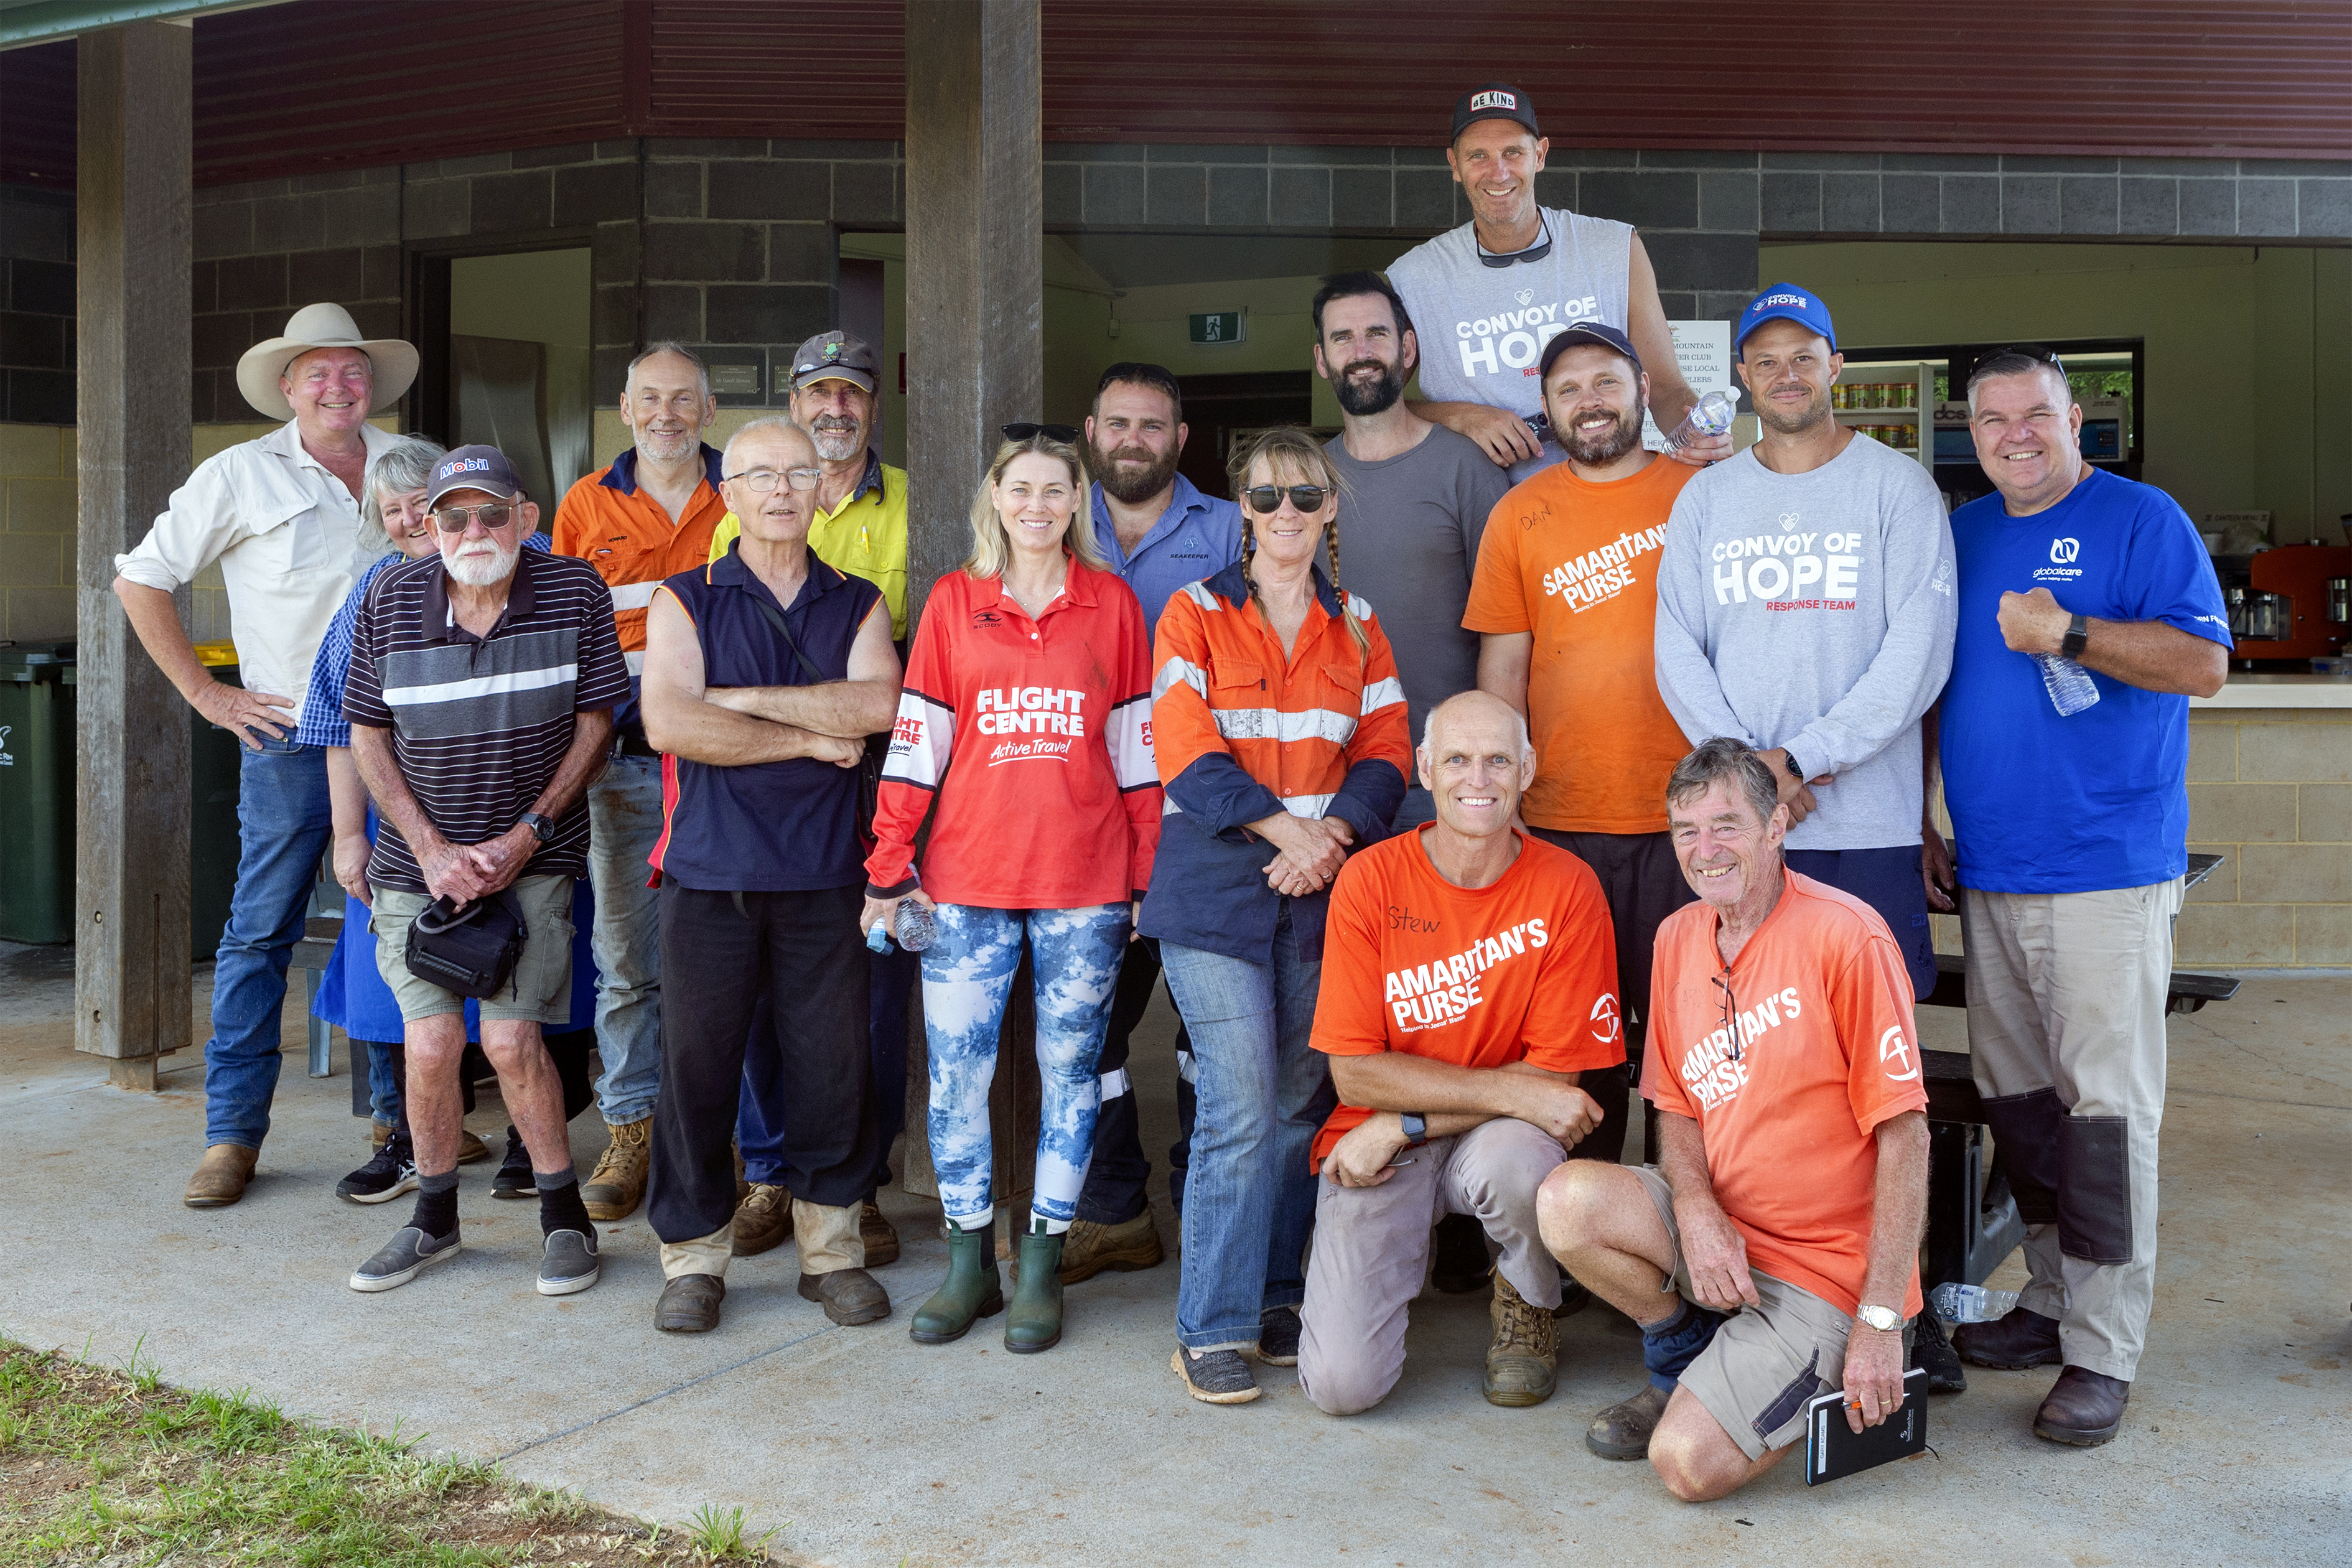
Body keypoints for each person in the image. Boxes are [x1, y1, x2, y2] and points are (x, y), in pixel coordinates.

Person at [1932, 348, 2229, 1447]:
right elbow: (1938, 683)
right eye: (1993, 418)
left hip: (2106, 867)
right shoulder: (1962, 534)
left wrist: (2069, 632)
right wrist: (1927, 809)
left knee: (2103, 1119)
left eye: (2036, 415)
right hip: (1992, 866)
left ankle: (2104, 1350)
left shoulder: (2145, 520)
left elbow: (2204, 666)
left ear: (2076, 420)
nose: (2015, 434)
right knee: (2025, 1109)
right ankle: (2054, 1302)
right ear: (1971, 429)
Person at [1538, 739, 1929, 1499]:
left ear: (1777, 825)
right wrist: (1696, 1206)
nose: (1704, 850)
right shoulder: (1677, 937)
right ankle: (1691, 1356)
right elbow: (1676, 1105)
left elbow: (1905, 1135)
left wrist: (1879, 1319)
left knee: (1685, 1465)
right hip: (1722, 1237)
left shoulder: (1847, 935)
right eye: (1686, 830)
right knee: (1565, 1201)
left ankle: (1784, 1364)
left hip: (1826, 1275)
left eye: (1726, 825)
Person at [862, 425, 1161, 1353]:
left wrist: (1149, 877)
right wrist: (887, 866)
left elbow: (1138, 756)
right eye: (1020, 489)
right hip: (964, 884)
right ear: (996, 498)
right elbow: (917, 747)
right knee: (959, 1080)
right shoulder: (954, 603)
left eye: (1054, 491)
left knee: (1072, 1075)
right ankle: (968, 1267)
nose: (1036, 507)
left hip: (1086, 885)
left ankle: (1041, 1266)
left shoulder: (1113, 605)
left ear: (1078, 504)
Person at [112, 303, 416, 1209]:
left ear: (373, 383)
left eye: (351, 370)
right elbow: (140, 578)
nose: (337, 385)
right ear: (287, 387)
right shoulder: (241, 473)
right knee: (260, 930)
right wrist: (208, 694)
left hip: (410, 735)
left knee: (403, 923)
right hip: (290, 735)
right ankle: (232, 1136)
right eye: (316, 372)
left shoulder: (410, 464)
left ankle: (404, 1121)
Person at [1145, 427, 1412, 1405]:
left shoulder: (1361, 625)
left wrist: (1330, 837)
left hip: (1320, 892)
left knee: (1304, 1102)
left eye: (1305, 497)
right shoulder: (1193, 613)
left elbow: (1388, 748)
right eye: (1266, 499)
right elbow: (1185, 747)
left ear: (1331, 508)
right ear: (1241, 509)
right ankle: (1208, 1327)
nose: (1286, 515)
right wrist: (1288, 834)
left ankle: (1278, 1295)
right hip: (1217, 893)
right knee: (1243, 1103)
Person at [341, 447, 630, 1296]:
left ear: (526, 520)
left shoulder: (575, 590)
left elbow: (596, 724)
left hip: (532, 860)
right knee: (430, 1043)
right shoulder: (388, 598)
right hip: (414, 866)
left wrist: (525, 837)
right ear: (428, 528)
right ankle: (433, 1221)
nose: (475, 531)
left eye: (492, 513)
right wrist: (431, 850)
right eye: (454, 516)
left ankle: (564, 1217)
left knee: (510, 1038)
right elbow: (366, 733)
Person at [638, 418, 902, 1335]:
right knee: (697, 1068)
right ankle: (694, 1259)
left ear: (822, 486)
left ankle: (831, 1253)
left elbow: (879, 706)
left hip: (828, 872)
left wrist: (740, 699)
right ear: (730, 490)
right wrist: (802, 738)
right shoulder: (687, 598)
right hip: (708, 875)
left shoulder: (856, 602)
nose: (783, 488)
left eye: (800, 470)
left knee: (834, 1066)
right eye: (760, 474)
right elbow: (671, 724)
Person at [1297, 691, 1622, 1416]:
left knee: (1519, 1156)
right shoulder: (1371, 880)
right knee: (1343, 1389)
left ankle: (1527, 1299)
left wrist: (1404, 1120)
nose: (1480, 778)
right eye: (1458, 760)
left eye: (1499, 759)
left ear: (1528, 768)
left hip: (1469, 1137)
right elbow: (1354, 1071)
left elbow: (1556, 1082)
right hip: (1386, 1139)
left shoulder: (1567, 886)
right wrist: (1507, 1096)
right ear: (1425, 769)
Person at [1653, 284, 1956, 1004]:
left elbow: (1917, 658)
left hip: (1867, 825)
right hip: (1737, 830)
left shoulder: (1899, 488)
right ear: (1745, 376)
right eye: (1766, 361)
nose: (1786, 374)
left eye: (1803, 357)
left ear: (1835, 365)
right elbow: (1675, 650)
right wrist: (1756, 778)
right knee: (1748, 1029)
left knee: (1872, 1034)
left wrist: (1801, 760)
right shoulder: (1706, 497)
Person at [1468, 320, 1701, 1167]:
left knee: (1695, 1046)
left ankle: (1686, 1231)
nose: (1588, 402)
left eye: (1605, 382)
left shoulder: (1700, 495)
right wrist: (1501, 804)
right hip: (1562, 823)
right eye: (1567, 390)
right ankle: (1589, 1237)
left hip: (1689, 824)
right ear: (1545, 409)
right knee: (1579, 1048)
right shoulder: (1519, 513)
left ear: (1642, 388)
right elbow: (1504, 665)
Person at [712, 331, 912, 1269]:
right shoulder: (738, 513)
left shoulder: (912, 502)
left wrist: (768, 700)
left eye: (853, 395)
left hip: (876, 777)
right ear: (793, 403)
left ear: (875, 405)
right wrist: (790, 714)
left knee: (864, 992)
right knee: (755, 992)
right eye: (818, 394)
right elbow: (712, 669)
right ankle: (769, 1170)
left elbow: (895, 687)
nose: (836, 410)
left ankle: (854, 1181)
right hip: (754, 780)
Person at [1062, 363, 1246, 1286]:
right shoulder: (1054, 520)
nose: (1135, 438)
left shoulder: (1229, 529)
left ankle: (1202, 1206)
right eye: (1119, 422)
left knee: (1205, 1030)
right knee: (1088, 1026)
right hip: (1082, 822)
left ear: (1180, 438)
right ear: (1092, 431)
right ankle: (1115, 1208)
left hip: (1204, 819)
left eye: (1153, 425)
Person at [552, 342, 732, 1224]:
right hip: (623, 768)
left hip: (725, 770)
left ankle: (728, 1136)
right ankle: (632, 1128)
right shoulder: (587, 504)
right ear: (624, 408)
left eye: (684, 400)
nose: (667, 415)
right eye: (650, 399)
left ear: (708, 409)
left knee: (733, 957)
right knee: (627, 962)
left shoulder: (743, 491)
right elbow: (564, 639)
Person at [1384, 83, 1726, 483]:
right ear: (1455, 165)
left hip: (1606, 491)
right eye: (1478, 155)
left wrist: (1705, 444)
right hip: (1475, 508)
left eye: (1513, 152)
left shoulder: (1615, 248)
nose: (1499, 172)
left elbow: (1666, 389)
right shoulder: (1413, 277)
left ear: (1540, 155)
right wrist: (1459, 416)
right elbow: (1375, 410)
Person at [1312, 271, 1511, 829]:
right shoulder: (1308, 483)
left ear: (1407, 347)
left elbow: (1510, 626)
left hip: (1446, 776)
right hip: (1327, 777)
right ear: (1322, 359)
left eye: (1376, 333)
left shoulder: (1464, 469)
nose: (1361, 352)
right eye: (1342, 338)